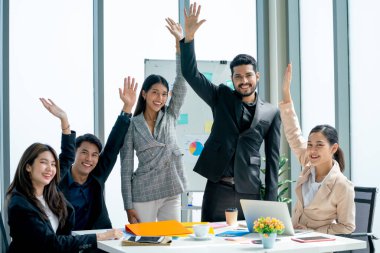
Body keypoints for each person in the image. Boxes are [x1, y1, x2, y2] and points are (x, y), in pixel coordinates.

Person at [180, 2, 281, 222]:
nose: (243, 81)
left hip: (250, 189)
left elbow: (273, 159)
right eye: (238, 77)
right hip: (218, 187)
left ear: (257, 77)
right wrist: (189, 38)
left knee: (247, 242)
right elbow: (191, 74)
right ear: (232, 79)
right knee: (211, 241)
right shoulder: (221, 97)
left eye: (248, 75)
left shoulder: (272, 112)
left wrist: (271, 201)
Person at [39, 76, 137, 230]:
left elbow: (112, 147)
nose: (89, 159)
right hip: (68, 244)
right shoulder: (59, 177)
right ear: (75, 153)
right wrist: (64, 120)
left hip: (98, 242)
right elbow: (65, 155)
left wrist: (127, 109)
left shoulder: (98, 175)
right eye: (84, 152)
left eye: (94, 155)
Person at [119, 19, 187, 223]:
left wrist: (179, 44)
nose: (160, 98)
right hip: (143, 191)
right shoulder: (132, 125)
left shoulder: (171, 115)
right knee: (145, 244)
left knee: (171, 242)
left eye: (164, 94)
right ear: (144, 94)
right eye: (155, 93)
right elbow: (126, 166)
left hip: (170, 188)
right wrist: (128, 205)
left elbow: (182, 81)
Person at [280, 63, 355, 234]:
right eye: (310, 145)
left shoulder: (343, 186)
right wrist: (285, 92)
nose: (312, 151)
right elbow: (293, 132)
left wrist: (313, 231)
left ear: (333, 148)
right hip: (293, 238)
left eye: (319, 145)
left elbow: (347, 226)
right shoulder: (308, 164)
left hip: (317, 244)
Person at [6, 143, 123, 252]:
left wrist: (65, 123)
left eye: (53, 164)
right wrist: (99, 237)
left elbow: (67, 158)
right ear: (28, 167)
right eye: (43, 162)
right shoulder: (20, 204)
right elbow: (50, 243)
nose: (50, 169)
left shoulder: (50, 194)